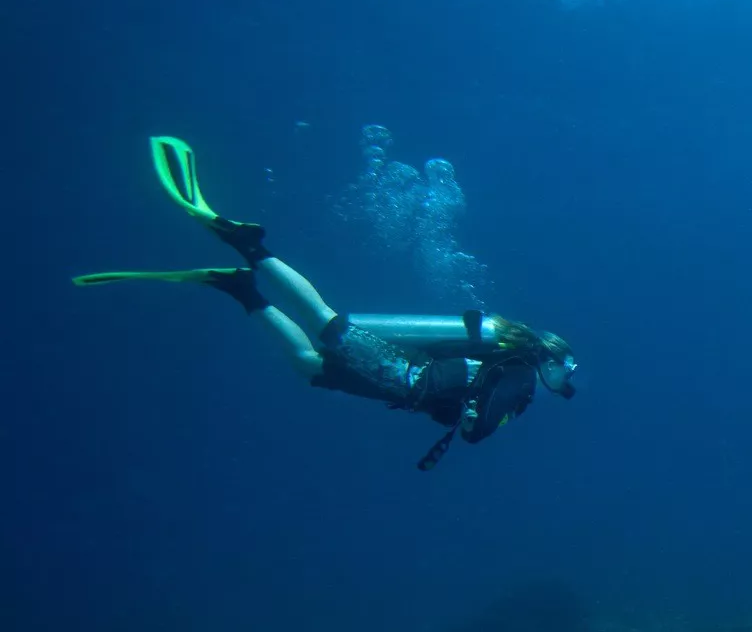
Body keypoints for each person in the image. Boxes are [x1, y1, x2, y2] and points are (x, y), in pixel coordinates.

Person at [75, 136, 577, 470]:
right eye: (565, 367)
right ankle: (250, 248)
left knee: (310, 366)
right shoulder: (519, 372)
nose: (564, 379)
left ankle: (242, 287)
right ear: (548, 356)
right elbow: (476, 429)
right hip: (405, 377)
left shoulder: (512, 362)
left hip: (405, 382)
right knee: (326, 324)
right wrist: (478, 424)